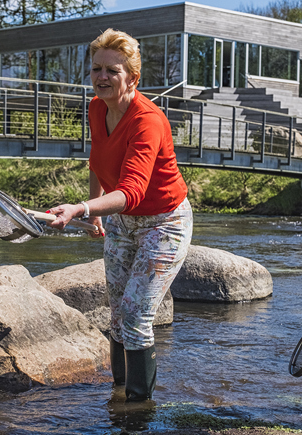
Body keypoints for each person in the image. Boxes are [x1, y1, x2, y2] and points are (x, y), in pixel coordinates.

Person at [48, 28, 193, 403]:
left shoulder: (148, 121)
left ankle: (139, 408)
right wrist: (95, 210)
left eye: (112, 70)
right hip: (121, 222)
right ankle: (118, 395)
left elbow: (131, 192)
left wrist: (81, 209)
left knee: (135, 317)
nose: (102, 77)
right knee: (115, 314)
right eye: (96, 69)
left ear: (133, 78)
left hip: (164, 223)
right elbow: (98, 161)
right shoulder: (98, 108)